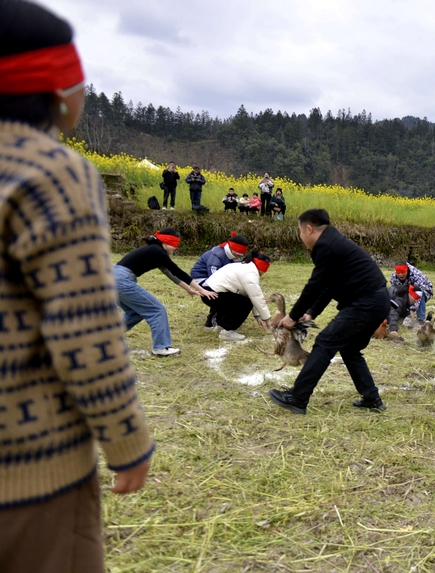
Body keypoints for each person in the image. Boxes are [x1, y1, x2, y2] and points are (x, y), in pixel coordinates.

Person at [0, 3, 154, 571]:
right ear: (56, 86)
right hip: (28, 473)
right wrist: (127, 441)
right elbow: (83, 331)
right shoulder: (51, 172)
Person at [268, 209, 390, 415]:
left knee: (325, 342)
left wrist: (293, 315)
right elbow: (328, 284)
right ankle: (372, 399)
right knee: (350, 350)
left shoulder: (326, 246)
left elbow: (315, 285)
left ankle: (298, 397)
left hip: (365, 304)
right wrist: (311, 312)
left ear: (309, 229)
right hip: (377, 302)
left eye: (300, 231)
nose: (300, 237)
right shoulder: (333, 242)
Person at [115, 228, 217, 356]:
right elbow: (177, 271)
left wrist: (189, 290)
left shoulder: (154, 251)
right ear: (165, 242)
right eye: (174, 244)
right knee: (157, 310)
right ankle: (161, 348)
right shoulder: (157, 251)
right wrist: (202, 289)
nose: (176, 248)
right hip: (121, 280)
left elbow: (171, 275)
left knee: (135, 312)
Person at [201, 250, 273, 341]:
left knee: (236, 299)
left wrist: (258, 316)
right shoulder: (250, 273)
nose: (264, 273)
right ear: (261, 267)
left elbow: (251, 295)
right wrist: (267, 319)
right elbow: (256, 297)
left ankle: (217, 325)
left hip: (207, 292)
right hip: (212, 294)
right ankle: (228, 331)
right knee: (245, 303)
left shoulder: (244, 266)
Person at [189, 232, 249, 329]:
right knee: (222, 295)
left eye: (241, 254)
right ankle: (213, 321)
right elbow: (214, 279)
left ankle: (224, 319)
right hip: (203, 278)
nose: (239, 256)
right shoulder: (217, 255)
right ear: (231, 248)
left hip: (218, 278)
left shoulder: (236, 257)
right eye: (238, 254)